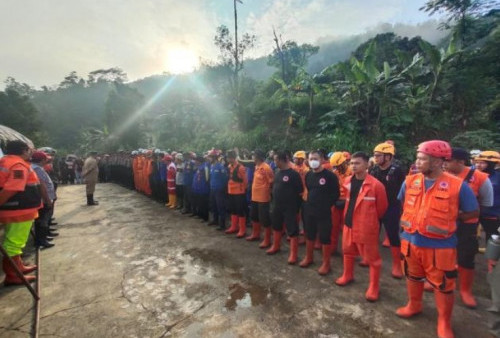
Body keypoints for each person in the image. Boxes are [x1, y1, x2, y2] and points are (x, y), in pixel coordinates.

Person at [396, 140, 479, 338]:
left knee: (443, 286)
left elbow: (473, 212)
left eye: (422, 159)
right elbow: (403, 204)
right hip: (409, 241)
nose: (417, 162)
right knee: (412, 276)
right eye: (418, 157)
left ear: (436, 161)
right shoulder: (410, 181)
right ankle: (414, 305)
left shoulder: (458, 186)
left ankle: (444, 322)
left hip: (440, 247)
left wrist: (452, 217)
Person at [444, 147, 493, 308]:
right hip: (443, 223)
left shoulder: (480, 178)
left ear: (460, 162)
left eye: (447, 161)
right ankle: (440, 281)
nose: (444, 164)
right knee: (442, 254)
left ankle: (465, 290)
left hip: (467, 225)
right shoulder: (441, 176)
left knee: (466, 258)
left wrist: (466, 215)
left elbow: (486, 204)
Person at [335, 152, 388, 302]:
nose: (353, 166)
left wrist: (368, 220)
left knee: (372, 259)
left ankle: (374, 286)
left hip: (366, 227)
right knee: (348, 252)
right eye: (351, 163)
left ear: (366, 165)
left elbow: (382, 208)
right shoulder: (347, 181)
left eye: (357, 163)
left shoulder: (376, 185)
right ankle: (348, 274)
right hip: (349, 224)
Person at [0, 140, 41, 285]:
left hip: (14, 209)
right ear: (24, 150)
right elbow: (12, 188)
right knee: (14, 243)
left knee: (14, 241)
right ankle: (13, 275)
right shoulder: (18, 165)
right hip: (18, 211)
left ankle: (19, 267)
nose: (31, 152)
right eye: (30, 149)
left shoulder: (5, 161)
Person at [300, 150, 340, 275]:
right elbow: (309, 190)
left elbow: (335, 194)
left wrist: (326, 205)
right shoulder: (308, 175)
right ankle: (309, 257)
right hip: (309, 209)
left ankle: (326, 264)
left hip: (324, 211)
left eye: (315, 158)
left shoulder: (330, 176)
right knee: (310, 234)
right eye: (311, 159)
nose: (313, 161)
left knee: (324, 237)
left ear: (322, 159)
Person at [370, 142, 405, 279]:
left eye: (378, 155)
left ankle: (397, 264)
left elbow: (403, 190)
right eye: (375, 155)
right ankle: (371, 258)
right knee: (373, 234)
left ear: (388, 157)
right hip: (375, 206)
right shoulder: (374, 170)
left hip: (392, 207)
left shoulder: (397, 171)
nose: (375, 158)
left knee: (393, 235)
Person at [269, 151, 303, 263]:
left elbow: (300, 191)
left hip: (290, 207)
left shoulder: (294, 174)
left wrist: (296, 207)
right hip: (277, 205)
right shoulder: (277, 172)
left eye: (275, 160)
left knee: (292, 230)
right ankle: (276, 246)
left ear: (282, 160)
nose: (274, 162)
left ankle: (293, 254)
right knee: (276, 226)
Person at [31, 151, 57, 249]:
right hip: (44, 199)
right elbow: (42, 186)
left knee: (43, 219)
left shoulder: (36, 168)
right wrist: (47, 199)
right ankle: (41, 240)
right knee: (42, 220)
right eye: (46, 159)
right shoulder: (37, 169)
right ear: (42, 160)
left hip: (43, 198)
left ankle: (43, 237)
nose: (47, 160)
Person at [248, 149, 274, 246]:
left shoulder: (266, 168)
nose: (252, 158)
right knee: (254, 216)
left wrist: (268, 192)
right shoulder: (256, 167)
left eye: (254, 156)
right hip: (255, 196)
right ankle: (256, 234)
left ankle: (267, 240)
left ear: (258, 157)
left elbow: (271, 181)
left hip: (263, 197)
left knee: (265, 219)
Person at [475, 151, 500, 242]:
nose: (478, 165)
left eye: (482, 163)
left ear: (491, 164)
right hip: (473, 211)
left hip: (492, 213)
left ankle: (490, 255)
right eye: (477, 162)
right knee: (471, 235)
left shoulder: (498, 177)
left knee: (492, 236)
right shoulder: (472, 175)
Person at [330, 152, 352, 255]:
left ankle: (347, 251)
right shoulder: (334, 173)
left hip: (348, 203)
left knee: (347, 229)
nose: (337, 168)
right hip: (336, 202)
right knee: (334, 227)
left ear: (344, 163)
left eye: (338, 166)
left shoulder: (352, 172)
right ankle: (332, 248)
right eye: (335, 167)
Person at [226, 151, 248, 236]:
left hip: (239, 192)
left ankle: (242, 229)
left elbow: (245, 181)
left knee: (240, 210)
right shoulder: (229, 167)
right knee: (233, 209)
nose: (228, 159)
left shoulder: (240, 167)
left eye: (229, 157)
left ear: (233, 158)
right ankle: (234, 226)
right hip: (231, 191)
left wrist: (244, 190)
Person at [208, 150, 228, 230]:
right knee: (214, 205)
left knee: (220, 206)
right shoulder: (212, 166)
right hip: (213, 188)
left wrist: (222, 187)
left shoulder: (220, 166)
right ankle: (215, 220)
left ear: (214, 158)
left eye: (210, 157)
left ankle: (222, 224)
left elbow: (225, 178)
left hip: (219, 190)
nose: (209, 159)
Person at [191, 155, 210, 221]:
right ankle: (200, 215)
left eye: (196, 160)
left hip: (203, 188)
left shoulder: (205, 167)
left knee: (204, 203)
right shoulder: (199, 167)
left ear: (199, 161)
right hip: (198, 188)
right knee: (199, 203)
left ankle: (205, 217)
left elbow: (207, 178)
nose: (195, 162)